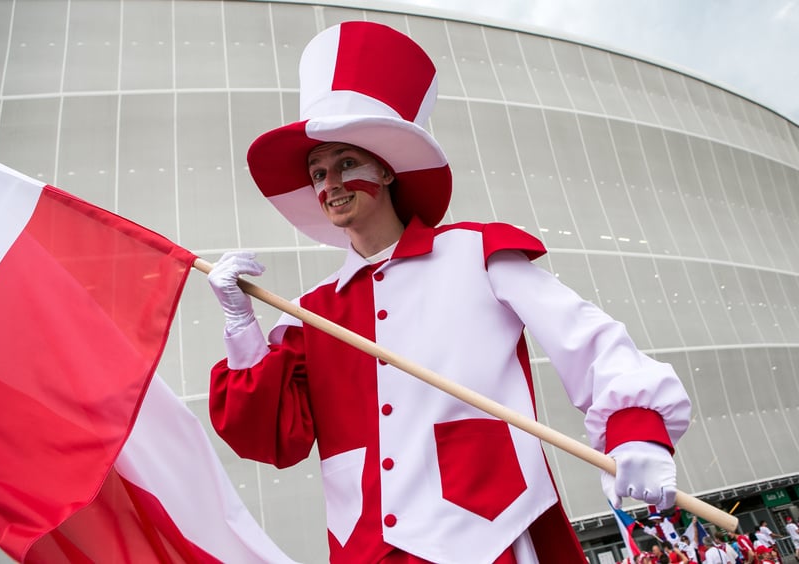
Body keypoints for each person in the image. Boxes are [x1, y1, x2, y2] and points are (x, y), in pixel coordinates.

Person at [207, 21, 692, 564]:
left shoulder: (476, 254)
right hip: (369, 547)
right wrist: (240, 326)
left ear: (387, 172)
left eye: (347, 163)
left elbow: (589, 339)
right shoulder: (309, 314)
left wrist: (637, 431)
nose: (331, 184)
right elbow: (273, 440)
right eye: (318, 173)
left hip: (487, 532)